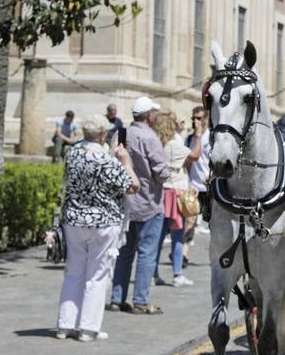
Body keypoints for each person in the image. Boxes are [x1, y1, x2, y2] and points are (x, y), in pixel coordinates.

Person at [55, 113, 139, 341]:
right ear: (103, 135)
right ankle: (88, 328)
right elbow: (133, 186)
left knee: (73, 273)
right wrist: (125, 161)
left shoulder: (72, 155)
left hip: (74, 221)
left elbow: (90, 160)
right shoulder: (106, 162)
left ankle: (65, 325)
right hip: (103, 223)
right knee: (97, 276)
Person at [108, 95, 170, 314]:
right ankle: (141, 301)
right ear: (149, 115)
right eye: (154, 112)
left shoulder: (121, 134)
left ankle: (117, 298)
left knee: (125, 252)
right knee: (147, 253)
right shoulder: (150, 137)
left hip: (125, 204)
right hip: (148, 203)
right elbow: (161, 172)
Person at [152, 112, 200, 287]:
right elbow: (195, 155)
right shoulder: (174, 145)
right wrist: (199, 135)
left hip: (161, 193)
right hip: (177, 194)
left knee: (157, 236)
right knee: (178, 236)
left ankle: (153, 273)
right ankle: (177, 274)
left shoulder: (157, 145)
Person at [186, 106, 212, 252]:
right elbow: (188, 161)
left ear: (206, 119)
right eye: (193, 118)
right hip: (194, 185)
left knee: (213, 223)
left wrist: (212, 175)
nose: (195, 121)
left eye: (199, 118)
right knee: (190, 221)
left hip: (209, 187)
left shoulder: (212, 137)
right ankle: (184, 254)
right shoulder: (190, 138)